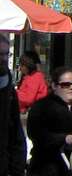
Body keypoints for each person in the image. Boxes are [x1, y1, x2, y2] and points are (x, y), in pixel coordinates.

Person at [0, 33, 26, 176]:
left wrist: (17, 168)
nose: (3, 58)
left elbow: (16, 132)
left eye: (6, 54)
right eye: (0, 54)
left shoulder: (8, 88)